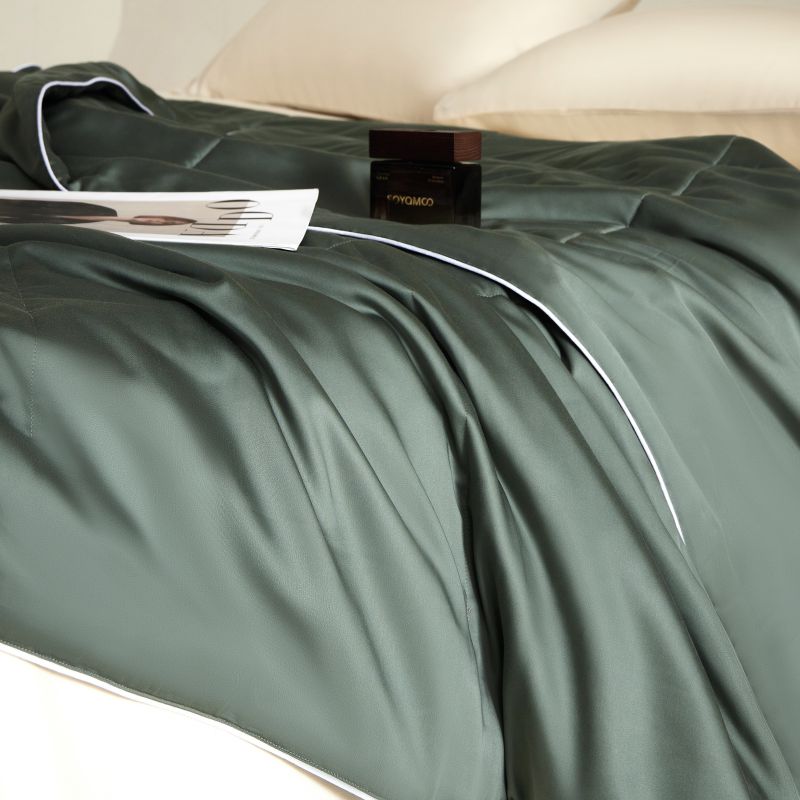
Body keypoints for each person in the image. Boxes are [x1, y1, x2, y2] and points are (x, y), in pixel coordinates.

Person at [0, 198, 194, 227]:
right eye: (160, 219)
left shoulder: (98, 225)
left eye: (161, 224)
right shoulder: (106, 209)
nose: (154, 221)